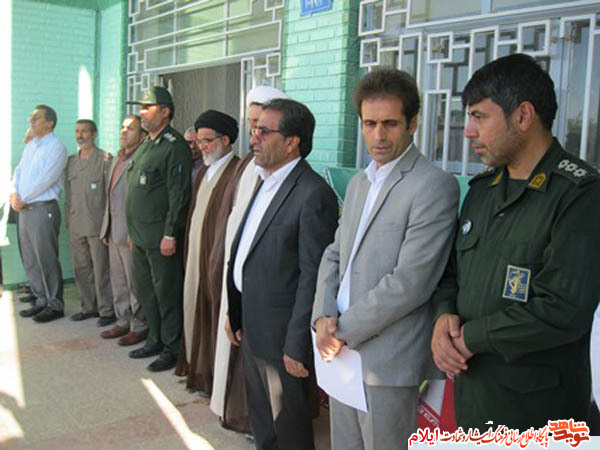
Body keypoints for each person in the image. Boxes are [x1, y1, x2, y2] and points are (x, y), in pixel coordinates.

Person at [430, 53, 600, 431]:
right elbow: (452, 273)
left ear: (523, 116)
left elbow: (562, 309)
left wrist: (469, 337)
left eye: (479, 117)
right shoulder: (482, 190)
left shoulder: (580, 194)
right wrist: (443, 316)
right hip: (473, 397)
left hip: (537, 413)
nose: (468, 132)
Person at [312, 68, 459, 450]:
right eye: (370, 123)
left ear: (413, 123)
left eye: (390, 124)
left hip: (386, 360)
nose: (378, 135)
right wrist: (322, 317)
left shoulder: (433, 185)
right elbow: (335, 253)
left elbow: (411, 282)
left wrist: (340, 330)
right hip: (339, 351)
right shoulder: (360, 183)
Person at [227, 98, 338, 449]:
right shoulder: (266, 180)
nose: (253, 137)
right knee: (264, 424)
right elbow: (249, 252)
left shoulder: (313, 194)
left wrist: (297, 344)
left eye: (264, 131)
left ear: (291, 142)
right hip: (253, 327)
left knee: (288, 429)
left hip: (282, 339)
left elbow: (313, 275)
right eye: (254, 129)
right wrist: (235, 312)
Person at [211, 85, 288, 432]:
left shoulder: (284, 176)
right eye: (252, 122)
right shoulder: (248, 165)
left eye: (263, 125)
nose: (255, 131)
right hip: (238, 277)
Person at [125, 86, 192, 372]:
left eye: (147, 107)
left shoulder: (174, 145)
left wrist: (170, 233)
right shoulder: (146, 144)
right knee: (146, 292)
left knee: (166, 294)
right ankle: (154, 339)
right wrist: (132, 232)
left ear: (165, 111)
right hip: (140, 235)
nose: (141, 112)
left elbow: (179, 193)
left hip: (160, 236)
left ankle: (172, 348)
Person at [175, 110, 239, 393]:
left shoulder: (237, 171)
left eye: (207, 140)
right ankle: (197, 369)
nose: (201, 147)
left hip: (217, 258)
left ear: (225, 140)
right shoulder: (202, 170)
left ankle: (213, 378)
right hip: (195, 253)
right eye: (198, 141)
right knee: (192, 307)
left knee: (212, 315)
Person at [11, 105, 68, 323]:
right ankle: (41, 299)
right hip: (24, 209)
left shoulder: (56, 147)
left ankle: (55, 305)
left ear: (49, 123)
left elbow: (46, 179)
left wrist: (22, 197)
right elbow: (19, 171)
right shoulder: (31, 145)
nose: (31, 121)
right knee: (30, 258)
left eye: (36, 118)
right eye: (31, 117)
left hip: (42, 208)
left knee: (46, 259)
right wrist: (14, 194)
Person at [99, 115, 149, 345]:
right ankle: (123, 320)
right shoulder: (117, 158)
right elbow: (109, 196)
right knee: (118, 280)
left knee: (134, 283)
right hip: (113, 230)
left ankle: (139, 326)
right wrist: (105, 228)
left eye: (130, 128)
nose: (124, 132)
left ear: (142, 135)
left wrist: (134, 231)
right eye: (122, 127)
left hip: (130, 233)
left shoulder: (142, 158)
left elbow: (142, 199)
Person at [65, 119, 115, 326]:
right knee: (81, 268)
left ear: (94, 134)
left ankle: (106, 310)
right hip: (76, 223)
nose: (80, 135)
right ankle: (88, 307)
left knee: (101, 269)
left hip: (97, 225)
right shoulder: (71, 161)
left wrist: (108, 226)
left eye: (84, 131)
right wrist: (68, 220)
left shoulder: (105, 159)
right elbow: (68, 195)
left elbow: (111, 195)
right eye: (77, 131)